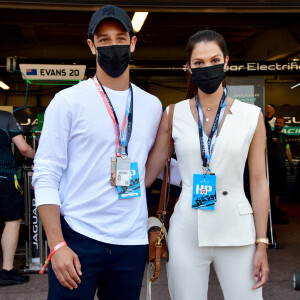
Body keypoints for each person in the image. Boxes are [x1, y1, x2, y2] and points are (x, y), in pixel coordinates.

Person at [32, 5, 162, 300]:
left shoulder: (152, 105)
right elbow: (46, 173)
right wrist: (57, 245)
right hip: (78, 236)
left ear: (133, 42)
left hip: (131, 240)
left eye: (120, 38)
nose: (113, 45)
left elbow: (153, 165)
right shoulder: (67, 101)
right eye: (104, 40)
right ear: (91, 46)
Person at [145, 30, 269, 300]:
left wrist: (262, 242)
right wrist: (110, 177)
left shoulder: (252, 116)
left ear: (226, 62)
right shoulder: (173, 113)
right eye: (199, 63)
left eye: (214, 60)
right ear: (188, 68)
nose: (207, 67)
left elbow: (259, 181)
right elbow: (148, 175)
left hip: (237, 230)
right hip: (187, 229)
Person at [0, 110, 35, 285]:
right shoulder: (5, 117)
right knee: (12, 220)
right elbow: (23, 148)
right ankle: (6, 270)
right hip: (3, 175)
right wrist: (38, 156)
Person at [267, 116, 294, 223]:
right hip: (272, 167)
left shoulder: (285, 136)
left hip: (282, 167)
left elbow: (288, 151)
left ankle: (276, 210)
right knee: (272, 190)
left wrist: (291, 164)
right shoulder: (269, 135)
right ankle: (273, 214)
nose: (278, 124)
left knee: (279, 189)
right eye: (277, 122)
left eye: (280, 123)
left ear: (283, 125)